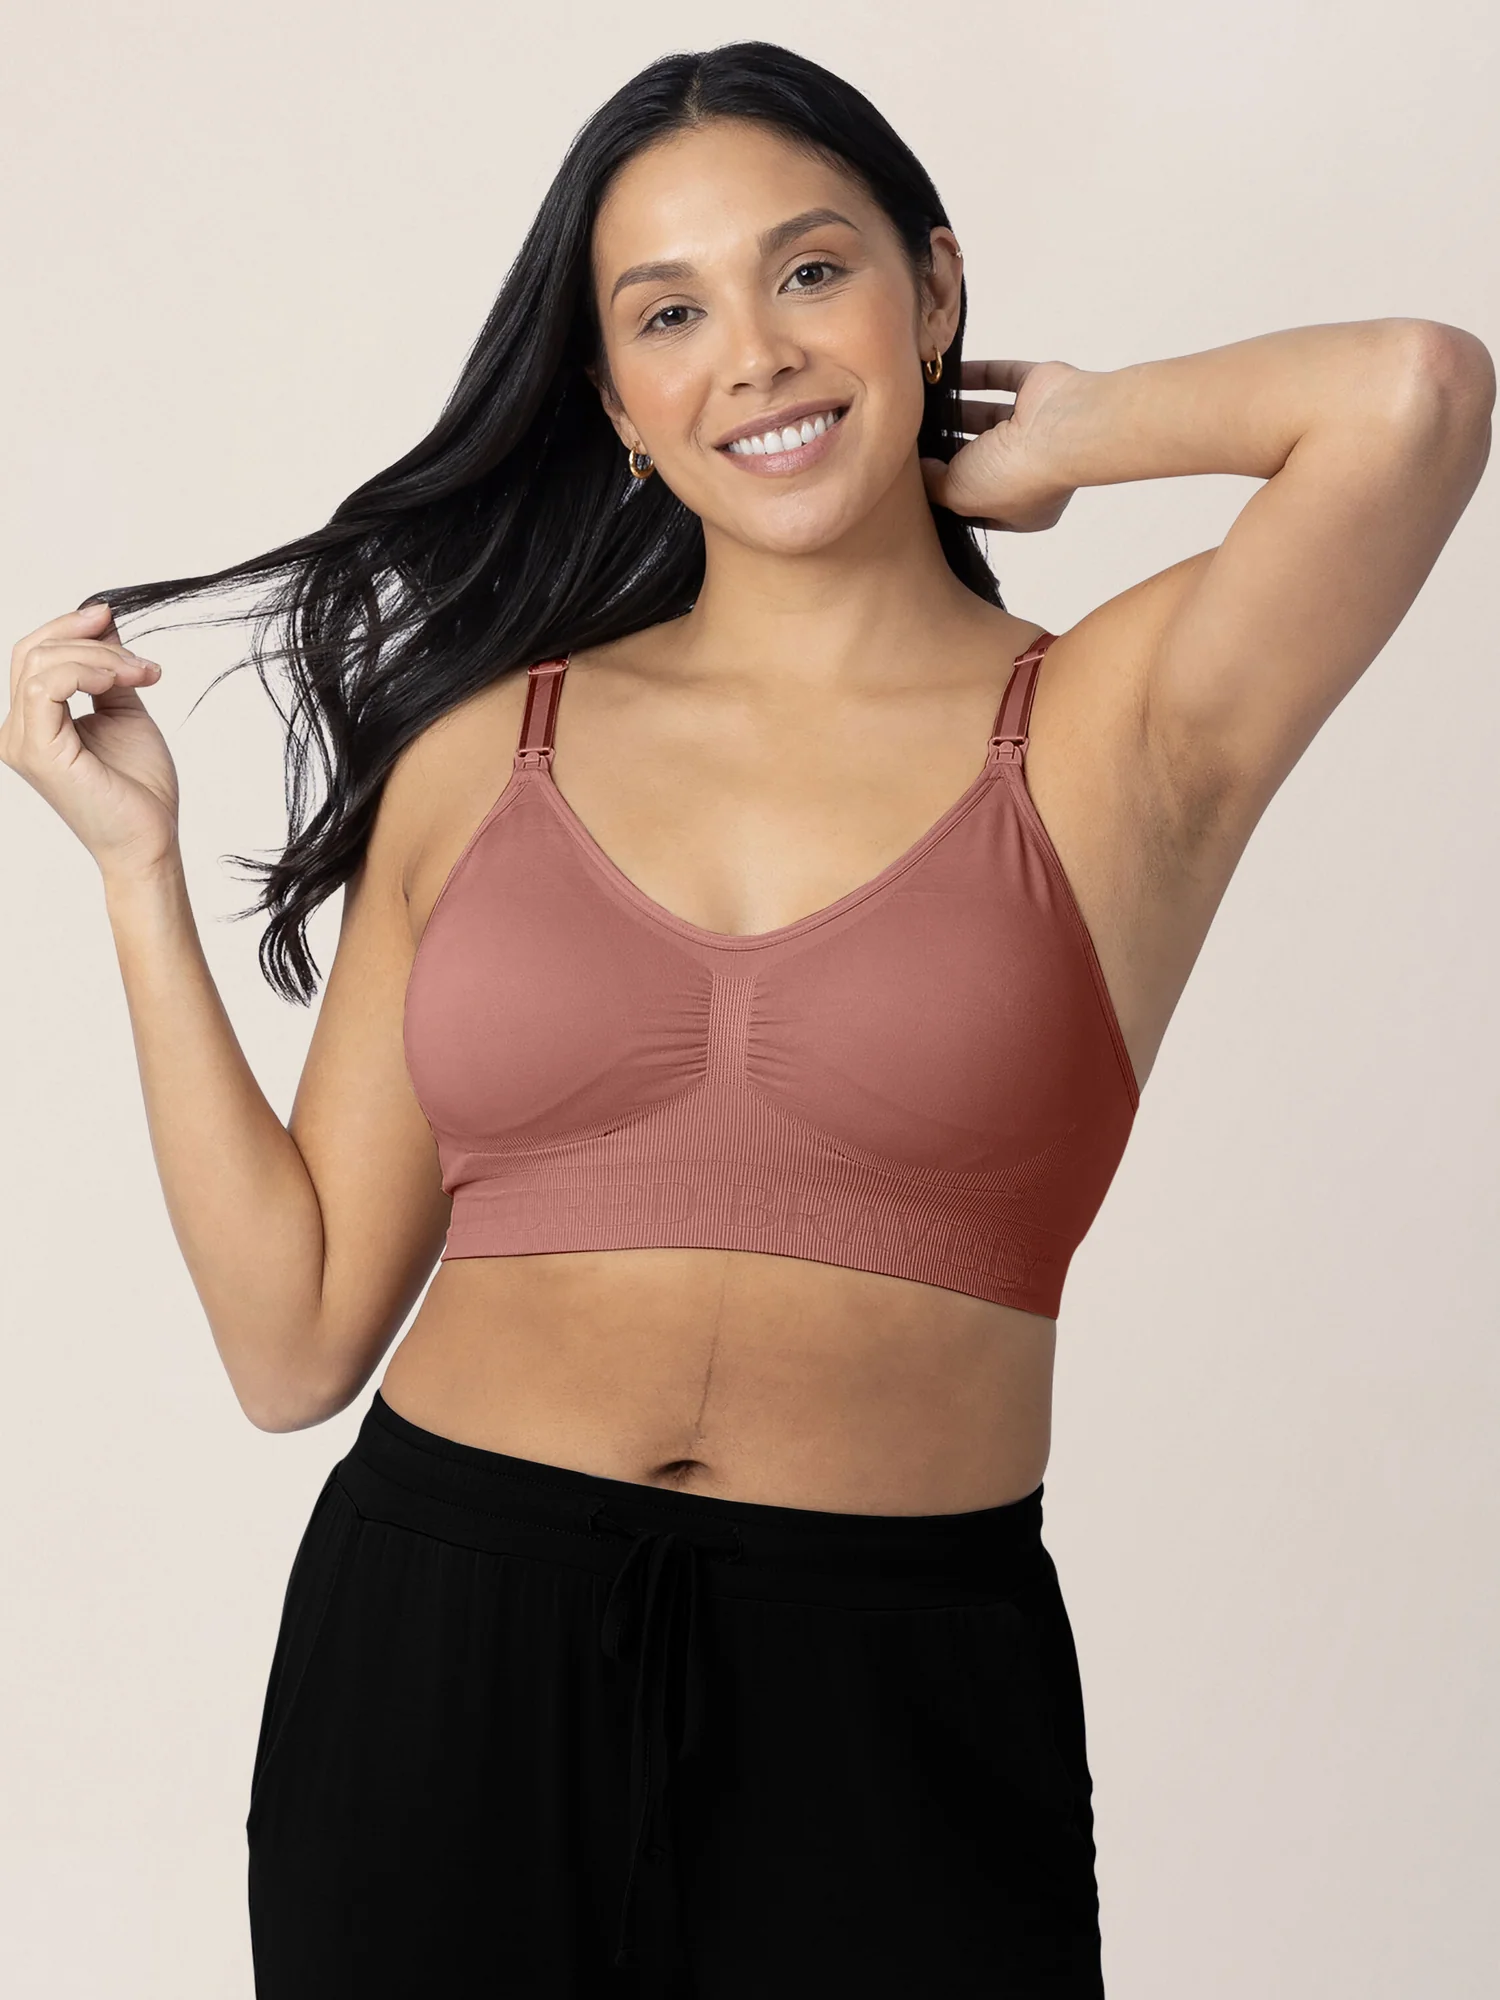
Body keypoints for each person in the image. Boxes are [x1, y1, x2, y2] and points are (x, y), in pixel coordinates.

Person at [3, 37, 1491, 2000]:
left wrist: (1071, 429)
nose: (756, 356)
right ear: (612, 398)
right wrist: (135, 875)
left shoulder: (1124, 723)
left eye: (810, 271)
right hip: (441, 1659)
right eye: (670, 314)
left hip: (889, 1694)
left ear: (929, 290)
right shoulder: (487, 751)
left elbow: (1414, 392)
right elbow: (292, 1341)